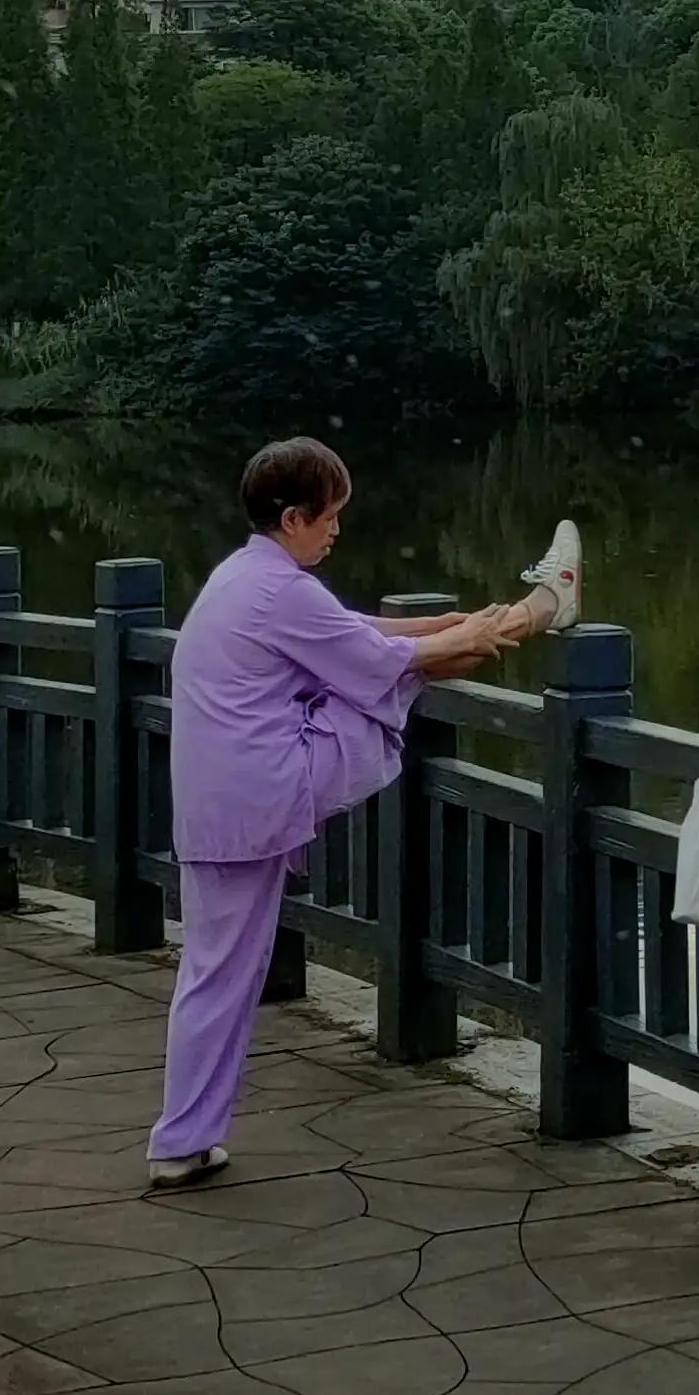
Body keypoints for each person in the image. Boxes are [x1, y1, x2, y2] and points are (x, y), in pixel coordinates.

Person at [148, 439, 541, 1190]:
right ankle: (176, 1141)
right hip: (256, 797)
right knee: (378, 696)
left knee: (219, 973)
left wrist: (449, 627)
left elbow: (352, 632)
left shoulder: (246, 576)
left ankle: (187, 1138)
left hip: (220, 804)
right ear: (294, 517)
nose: (335, 531)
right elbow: (365, 658)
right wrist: (490, 629)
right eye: (329, 518)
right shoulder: (280, 592)